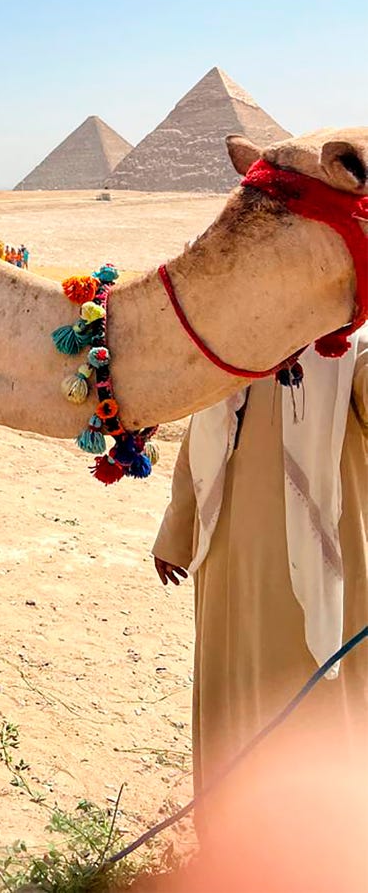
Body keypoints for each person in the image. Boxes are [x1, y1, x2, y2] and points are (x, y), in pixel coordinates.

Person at [152, 330, 368, 829]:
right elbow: (201, 438)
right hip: (227, 555)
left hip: (318, 569)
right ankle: (235, 838)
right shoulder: (239, 332)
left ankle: (322, 843)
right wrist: (177, 530)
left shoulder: (352, 345)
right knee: (235, 687)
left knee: (313, 698)